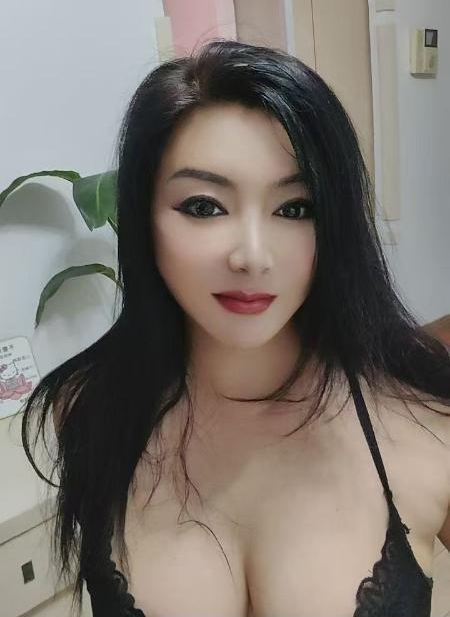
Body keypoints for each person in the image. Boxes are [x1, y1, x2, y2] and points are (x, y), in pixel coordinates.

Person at [22, 40, 450, 617]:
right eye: (204, 206)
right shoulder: (86, 406)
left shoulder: (426, 423)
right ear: (142, 217)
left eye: (295, 208)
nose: (252, 256)